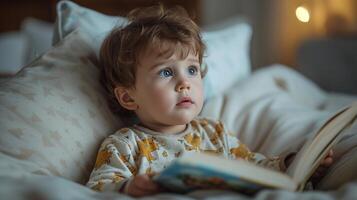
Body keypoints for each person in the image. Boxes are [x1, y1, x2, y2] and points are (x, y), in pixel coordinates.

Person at [86, 5, 333, 197]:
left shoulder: (214, 133)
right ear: (128, 97)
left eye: (192, 70)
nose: (185, 83)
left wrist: (293, 164)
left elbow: (253, 166)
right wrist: (128, 187)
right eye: (166, 72)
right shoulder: (125, 144)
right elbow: (97, 187)